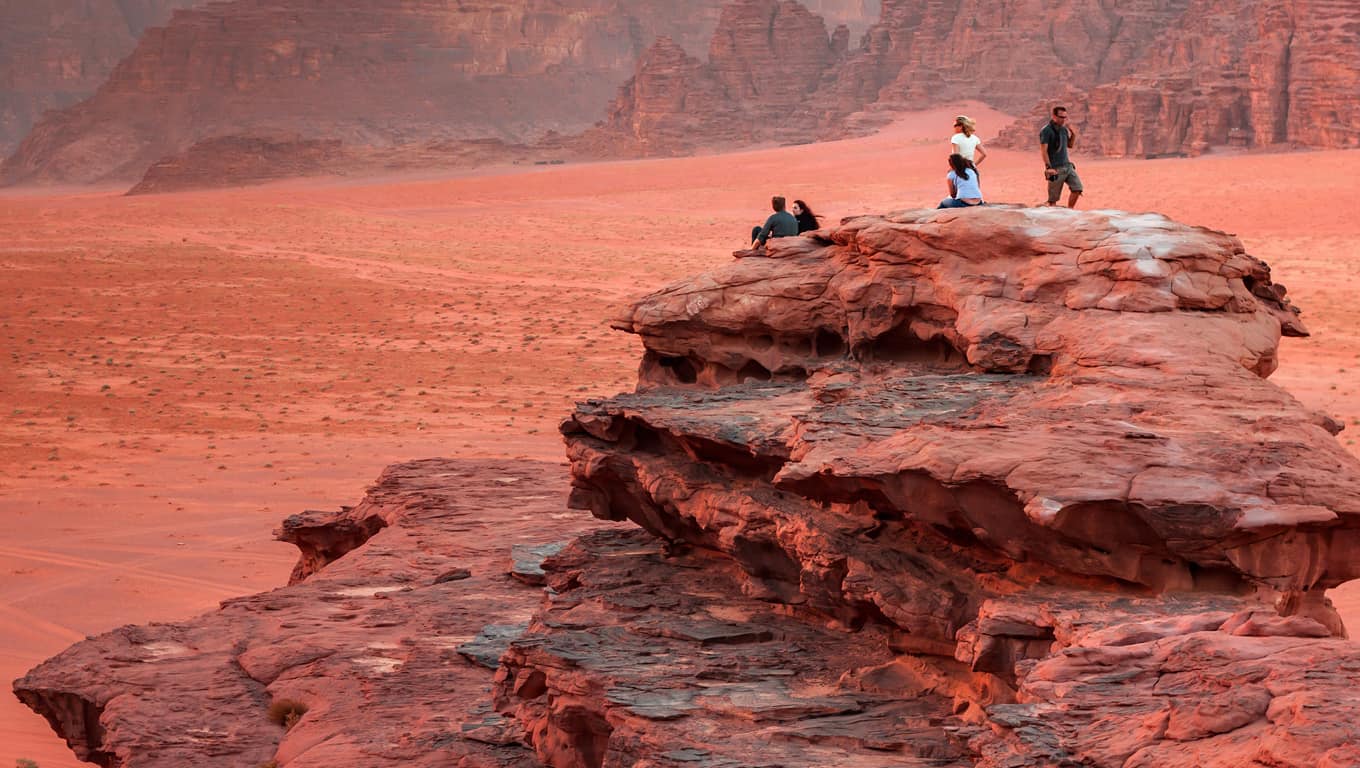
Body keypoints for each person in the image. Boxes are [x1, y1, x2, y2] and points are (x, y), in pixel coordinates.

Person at [1040, 105, 1082, 207]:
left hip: (1067, 166)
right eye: (1061, 117)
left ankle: (1069, 211)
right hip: (1056, 169)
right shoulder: (1046, 130)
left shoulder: (1063, 130)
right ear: (1054, 116)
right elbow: (1044, 151)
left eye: (1065, 117)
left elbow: (1070, 145)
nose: (1063, 120)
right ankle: (1053, 219)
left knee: (1077, 188)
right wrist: (1049, 168)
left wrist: (1073, 134)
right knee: (1053, 199)